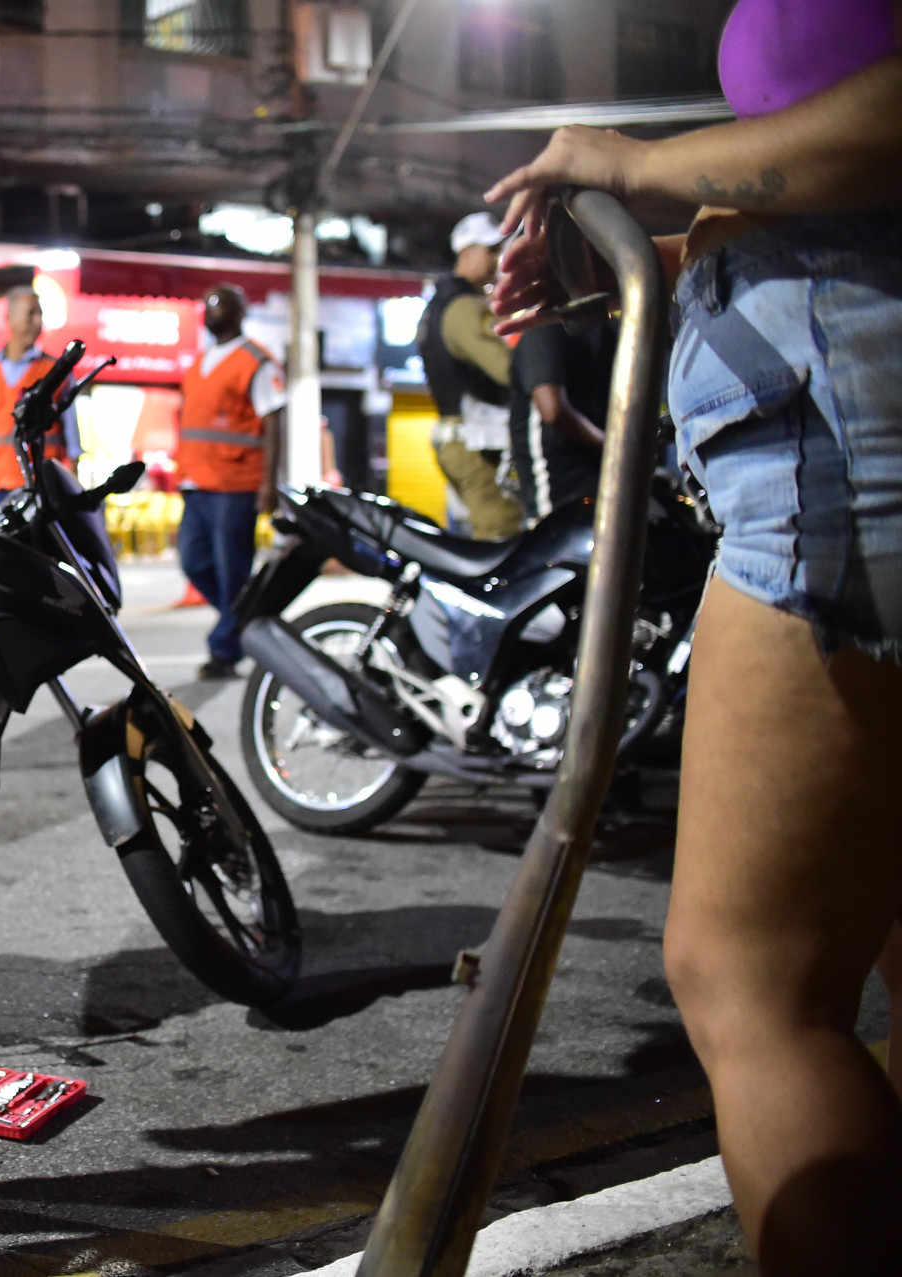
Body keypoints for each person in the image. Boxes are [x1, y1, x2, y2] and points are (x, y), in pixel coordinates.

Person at [487, 0, 902, 1269]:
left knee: (749, 977)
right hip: (844, 416)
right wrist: (663, 256)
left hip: (848, 454)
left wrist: (631, 163)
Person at [174, 284, 288, 680]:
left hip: (237, 484)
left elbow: (274, 423)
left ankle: (224, 650)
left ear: (240, 312)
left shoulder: (257, 362)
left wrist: (269, 484)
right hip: (197, 483)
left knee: (232, 569)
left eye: (220, 303)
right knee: (192, 561)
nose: (211, 309)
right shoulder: (200, 362)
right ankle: (243, 618)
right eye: (207, 303)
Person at [417, 213, 524, 540]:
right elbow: (508, 370)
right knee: (500, 529)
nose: (497, 259)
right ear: (466, 253)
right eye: (490, 250)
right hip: (477, 442)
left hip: (459, 438)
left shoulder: (436, 305)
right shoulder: (465, 307)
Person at [0, 284, 78, 498]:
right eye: (31, 313)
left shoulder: (57, 371)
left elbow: (73, 440)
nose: (38, 322)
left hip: (37, 489)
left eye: (40, 314)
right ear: (10, 317)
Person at [506, 317, 616, 524]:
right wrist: (616, 447)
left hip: (597, 468)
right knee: (558, 545)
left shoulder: (607, 327)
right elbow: (553, 412)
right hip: (555, 475)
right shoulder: (545, 328)